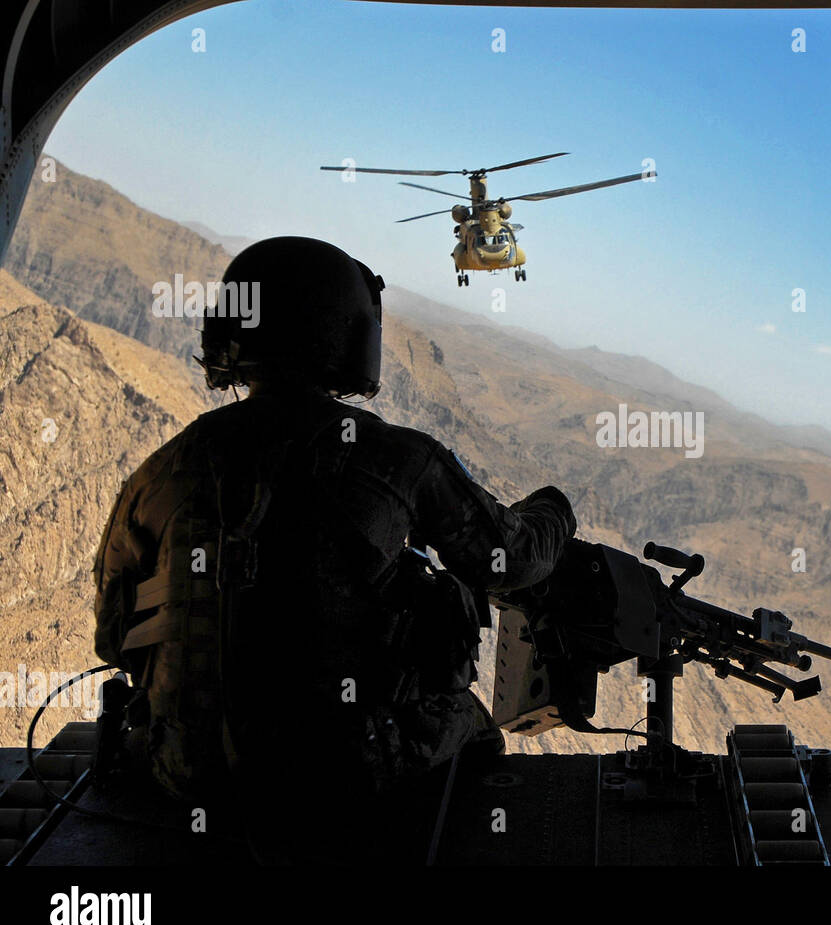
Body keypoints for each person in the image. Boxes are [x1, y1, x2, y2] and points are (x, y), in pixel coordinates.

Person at [91, 236, 576, 862]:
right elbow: (509, 560)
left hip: (181, 769)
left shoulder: (162, 469)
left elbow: (111, 639)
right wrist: (554, 508)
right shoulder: (398, 458)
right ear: (348, 338)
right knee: (474, 722)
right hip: (342, 775)